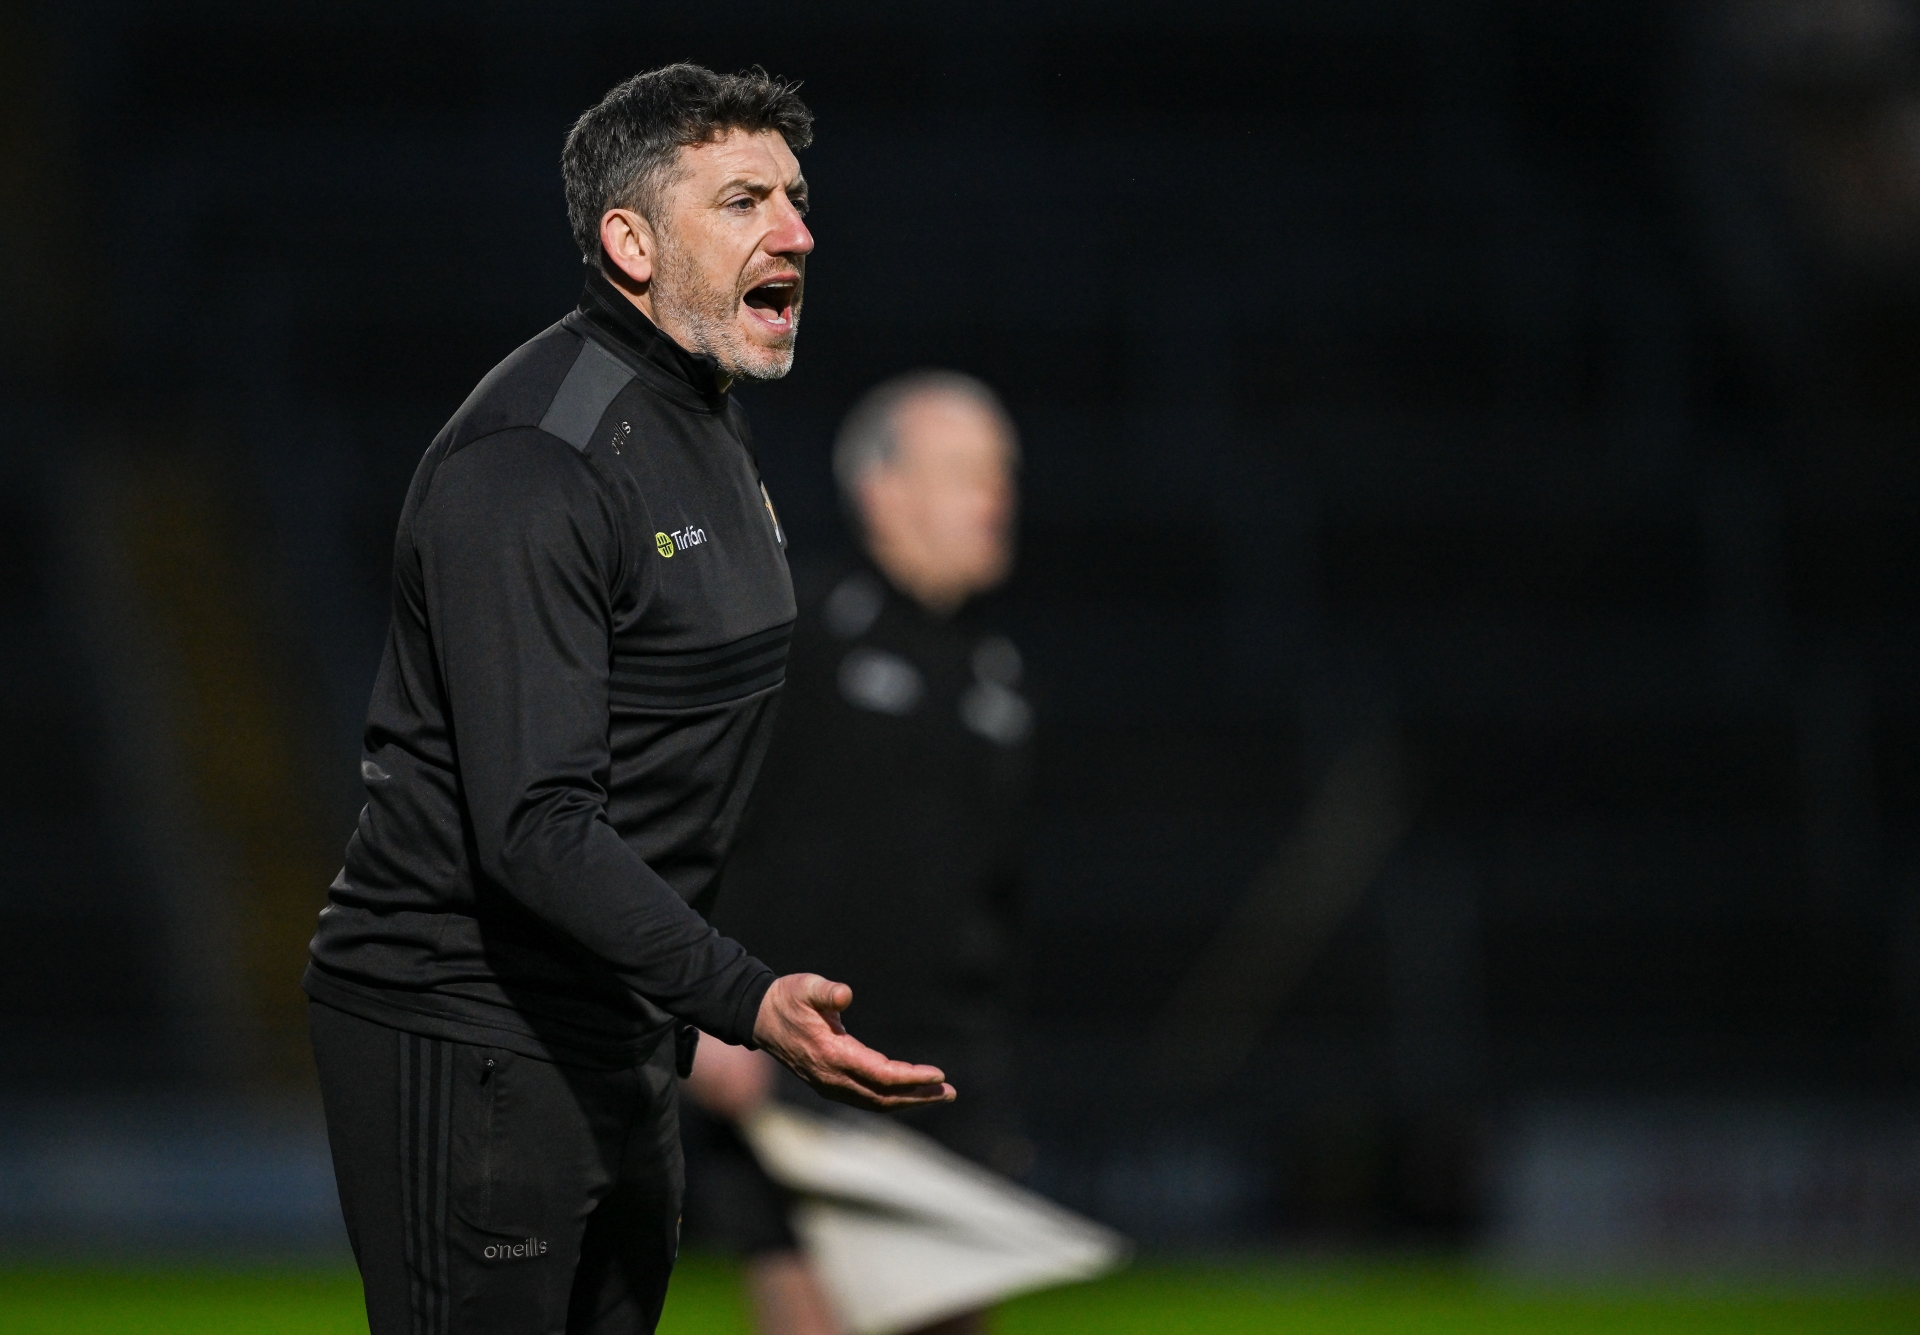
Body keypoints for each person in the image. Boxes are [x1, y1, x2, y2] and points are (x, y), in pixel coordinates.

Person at [302, 65, 954, 1335]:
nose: (797, 231)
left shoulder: (700, 413)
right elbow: (536, 824)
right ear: (631, 244)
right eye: (744, 200)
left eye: (797, 197)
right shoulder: (530, 461)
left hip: (622, 1023)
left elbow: (686, 765)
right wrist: (742, 997)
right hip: (469, 1027)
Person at [682, 371, 1031, 1335]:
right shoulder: (796, 635)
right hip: (796, 1069)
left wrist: (993, 1079)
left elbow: (994, 906)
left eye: (1002, 473)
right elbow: (691, 829)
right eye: (966, 473)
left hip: (944, 1084)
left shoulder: (998, 677)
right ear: (883, 490)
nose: (996, 497)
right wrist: (704, 1018)